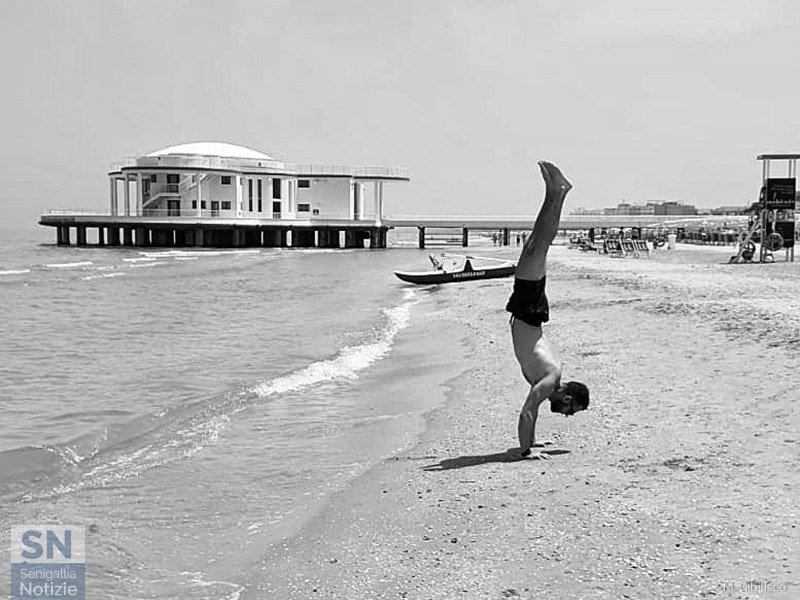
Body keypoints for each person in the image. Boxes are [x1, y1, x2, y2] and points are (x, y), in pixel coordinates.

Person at [505, 161, 590, 459]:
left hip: (529, 313)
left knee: (536, 246)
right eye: (571, 410)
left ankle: (556, 191)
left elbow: (534, 410)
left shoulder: (549, 382)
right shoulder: (551, 380)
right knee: (537, 246)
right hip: (529, 312)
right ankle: (557, 191)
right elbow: (528, 411)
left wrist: (532, 443)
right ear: (567, 397)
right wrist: (525, 451)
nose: (567, 415)